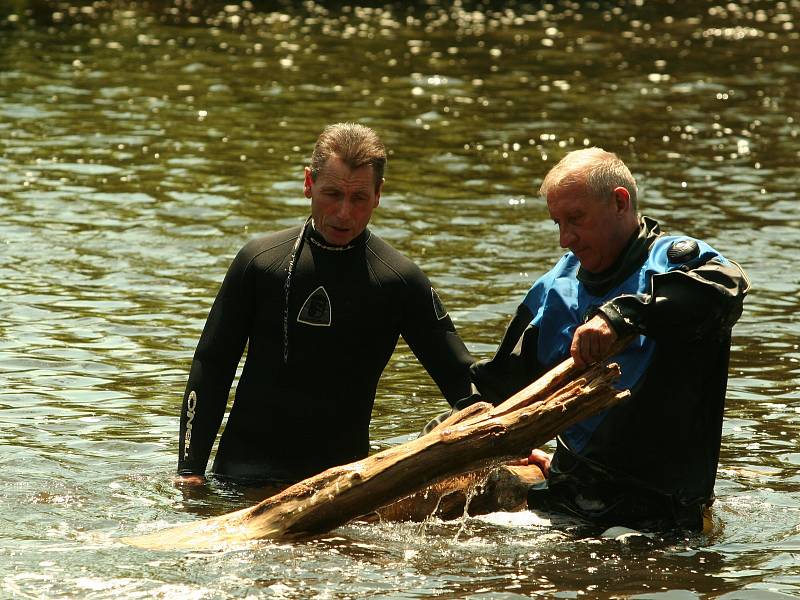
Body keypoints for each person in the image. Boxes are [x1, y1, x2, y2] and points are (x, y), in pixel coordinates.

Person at [176, 122, 476, 487]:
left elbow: (461, 378)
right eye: (332, 194)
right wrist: (190, 470)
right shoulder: (260, 263)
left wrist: (513, 439)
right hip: (240, 478)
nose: (344, 213)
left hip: (340, 487)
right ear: (308, 184)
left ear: (379, 194)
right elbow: (212, 364)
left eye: (358, 198)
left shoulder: (398, 280)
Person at [471, 147, 750, 530]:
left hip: (660, 516)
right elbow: (500, 389)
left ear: (620, 202)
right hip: (566, 499)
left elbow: (727, 289)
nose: (565, 239)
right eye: (557, 223)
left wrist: (620, 317)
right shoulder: (556, 287)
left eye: (576, 219)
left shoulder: (680, 262)